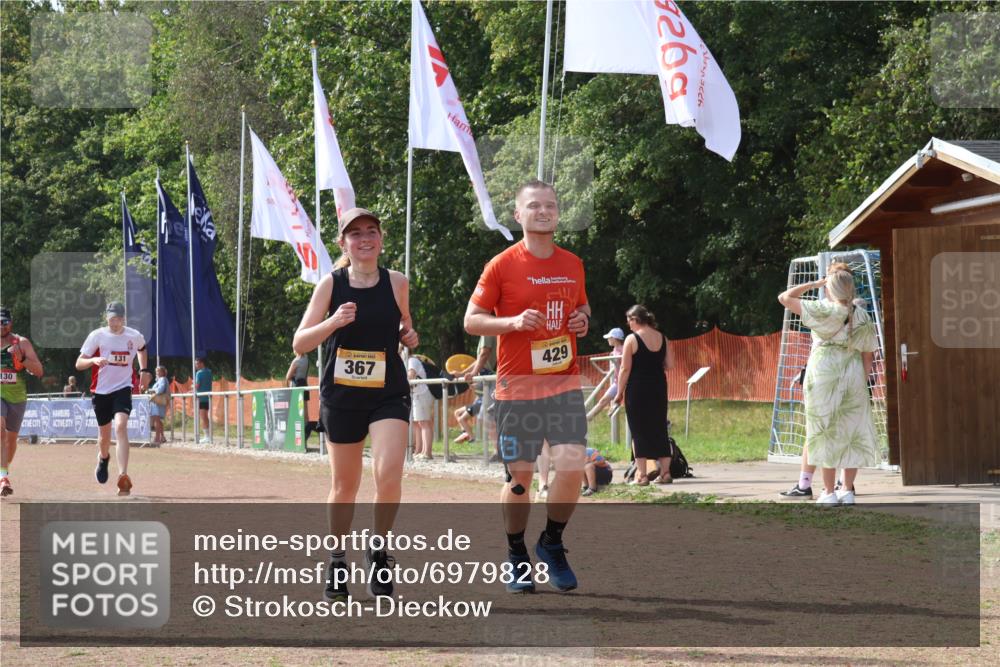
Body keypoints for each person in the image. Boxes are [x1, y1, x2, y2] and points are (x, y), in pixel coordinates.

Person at [465, 179, 590, 593]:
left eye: (550, 205)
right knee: (519, 482)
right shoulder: (501, 265)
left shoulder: (572, 263)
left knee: (572, 468)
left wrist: (583, 320)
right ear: (518, 215)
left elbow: (582, 306)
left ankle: (551, 542)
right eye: (534, 206)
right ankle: (516, 553)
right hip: (517, 392)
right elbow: (472, 320)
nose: (543, 211)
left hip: (564, 386)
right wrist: (513, 323)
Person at [293, 207, 419, 601]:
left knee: (388, 474)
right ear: (343, 243)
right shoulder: (330, 285)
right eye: (355, 234)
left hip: (388, 391)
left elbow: (404, 328)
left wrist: (410, 337)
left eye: (371, 232)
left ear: (381, 238)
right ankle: (337, 558)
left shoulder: (397, 282)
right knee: (344, 486)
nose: (365, 239)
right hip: (343, 395)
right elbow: (300, 343)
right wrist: (333, 322)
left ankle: (379, 551)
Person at [778, 264, 880, 505]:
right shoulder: (862, 315)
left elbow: (785, 297)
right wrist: (861, 380)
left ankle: (827, 491)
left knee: (823, 430)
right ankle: (847, 490)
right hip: (853, 372)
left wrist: (815, 284)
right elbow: (869, 354)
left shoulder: (823, 309)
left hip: (823, 373)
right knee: (851, 430)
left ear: (830, 288)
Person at [75, 302, 151, 496]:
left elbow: (142, 349)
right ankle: (103, 457)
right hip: (101, 391)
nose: (114, 322)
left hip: (123, 388)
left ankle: (123, 476)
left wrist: (143, 370)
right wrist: (93, 360)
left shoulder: (133, 336)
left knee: (121, 426)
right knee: (104, 437)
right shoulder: (97, 336)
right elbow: (79, 363)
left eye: (118, 319)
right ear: (106, 318)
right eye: (111, 319)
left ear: (123, 318)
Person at [614, 305, 674, 486]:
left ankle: (641, 475)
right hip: (658, 387)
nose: (628, 325)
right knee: (659, 427)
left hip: (637, 388)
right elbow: (670, 365)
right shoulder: (663, 337)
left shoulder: (632, 339)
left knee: (638, 429)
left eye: (628, 321)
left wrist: (619, 393)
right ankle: (665, 473)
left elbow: (625, 368)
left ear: (634, 319)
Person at [1, 307, 44, 498]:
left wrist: (22, 358)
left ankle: (3, 471)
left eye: (4, 322)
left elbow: (39, 371)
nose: (1, 326)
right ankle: (3, 478)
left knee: (11, 441)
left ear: (11, 322)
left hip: (17, 397)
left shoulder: (22, 342)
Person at [453, 335, 497, 445]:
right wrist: (464, 373)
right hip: (486, 385)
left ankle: (472, 437)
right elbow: (479, 359)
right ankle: (468, 434)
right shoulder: (486, 334)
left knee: (487, 417)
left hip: (491, 380)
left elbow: (484, 355)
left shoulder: (488, 332)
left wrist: (472, 374)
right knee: (483, 417)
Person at [587, 327, 625, 421]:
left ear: (615, 338)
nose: (608, 339)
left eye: (609, 337)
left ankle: (664, 422)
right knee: (603, 400)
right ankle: (588, 418)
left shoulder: (624, 350)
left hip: (627, 381)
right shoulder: (614, 351)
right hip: (617, 382)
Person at [407, 353, 434, 459]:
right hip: (416, 394)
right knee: (417, 423)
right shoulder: (408, 361)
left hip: (422, 393)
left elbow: (410, 376)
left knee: (424, 423)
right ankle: (419, 450)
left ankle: (427, 452)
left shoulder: (411, 361)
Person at [285, 353, 315, 443]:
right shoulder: (306, 358)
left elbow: (288, 376)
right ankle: (305, 437)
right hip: (304, 385)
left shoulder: (296, 361)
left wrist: (293, 373)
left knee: (296, 413)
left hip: (296, 387)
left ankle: (297, 438)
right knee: (305, 413)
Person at [148, 366, 169, 445]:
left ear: (163, 372)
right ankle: (162, 437)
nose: (157, 373)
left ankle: (157, 438)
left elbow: (160, 390)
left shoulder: (163, 379)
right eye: (156, 371)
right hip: (156, 402)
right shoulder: (159, 380)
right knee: (158, 420)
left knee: (157, 419)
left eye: (158, 371)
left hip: (158, 402)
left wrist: (152, 390)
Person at [195, 357, 212, 444]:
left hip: (201, 398)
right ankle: (208, 436)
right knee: (206, 417)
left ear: (202, 363)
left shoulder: (199, 373)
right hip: (208, 398)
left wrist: (192, 387)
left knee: (203, 417)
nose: (196, 366)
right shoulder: (209, 372)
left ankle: (207, 437)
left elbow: (197, 385)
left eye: (197, 363)